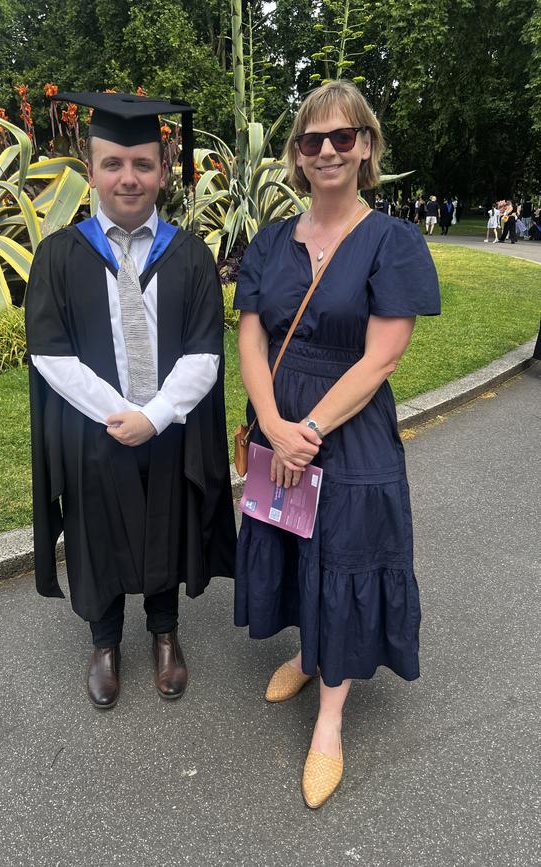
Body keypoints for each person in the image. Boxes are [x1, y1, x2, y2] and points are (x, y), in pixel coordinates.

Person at [233, 80, 440, 809]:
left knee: (344, 557)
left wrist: (310, 432)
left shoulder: (392, 241)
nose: (326, 151)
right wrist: (273, 426)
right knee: (293, 549)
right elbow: (251, 338)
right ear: (295, 154)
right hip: (278, 423)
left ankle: (328, 721)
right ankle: (306, 651)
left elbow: (383, 356)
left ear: (366, 147)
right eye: (311, 140)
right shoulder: (269, 240)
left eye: (341, 138)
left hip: (347, 435)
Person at [25, 91, 236, 710]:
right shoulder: (59, 257)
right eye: (113, 163)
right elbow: (51, 353)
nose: (128, 177)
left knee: (165, 527)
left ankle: (165, 634)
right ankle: (105, 641)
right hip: (96, 430)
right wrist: (116, 413)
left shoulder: (191, 254)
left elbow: (204, 351)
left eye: (143, 164)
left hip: (167, 427)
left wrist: (156, 415)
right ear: (89, 170)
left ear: (164, 172)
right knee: (98, 531)